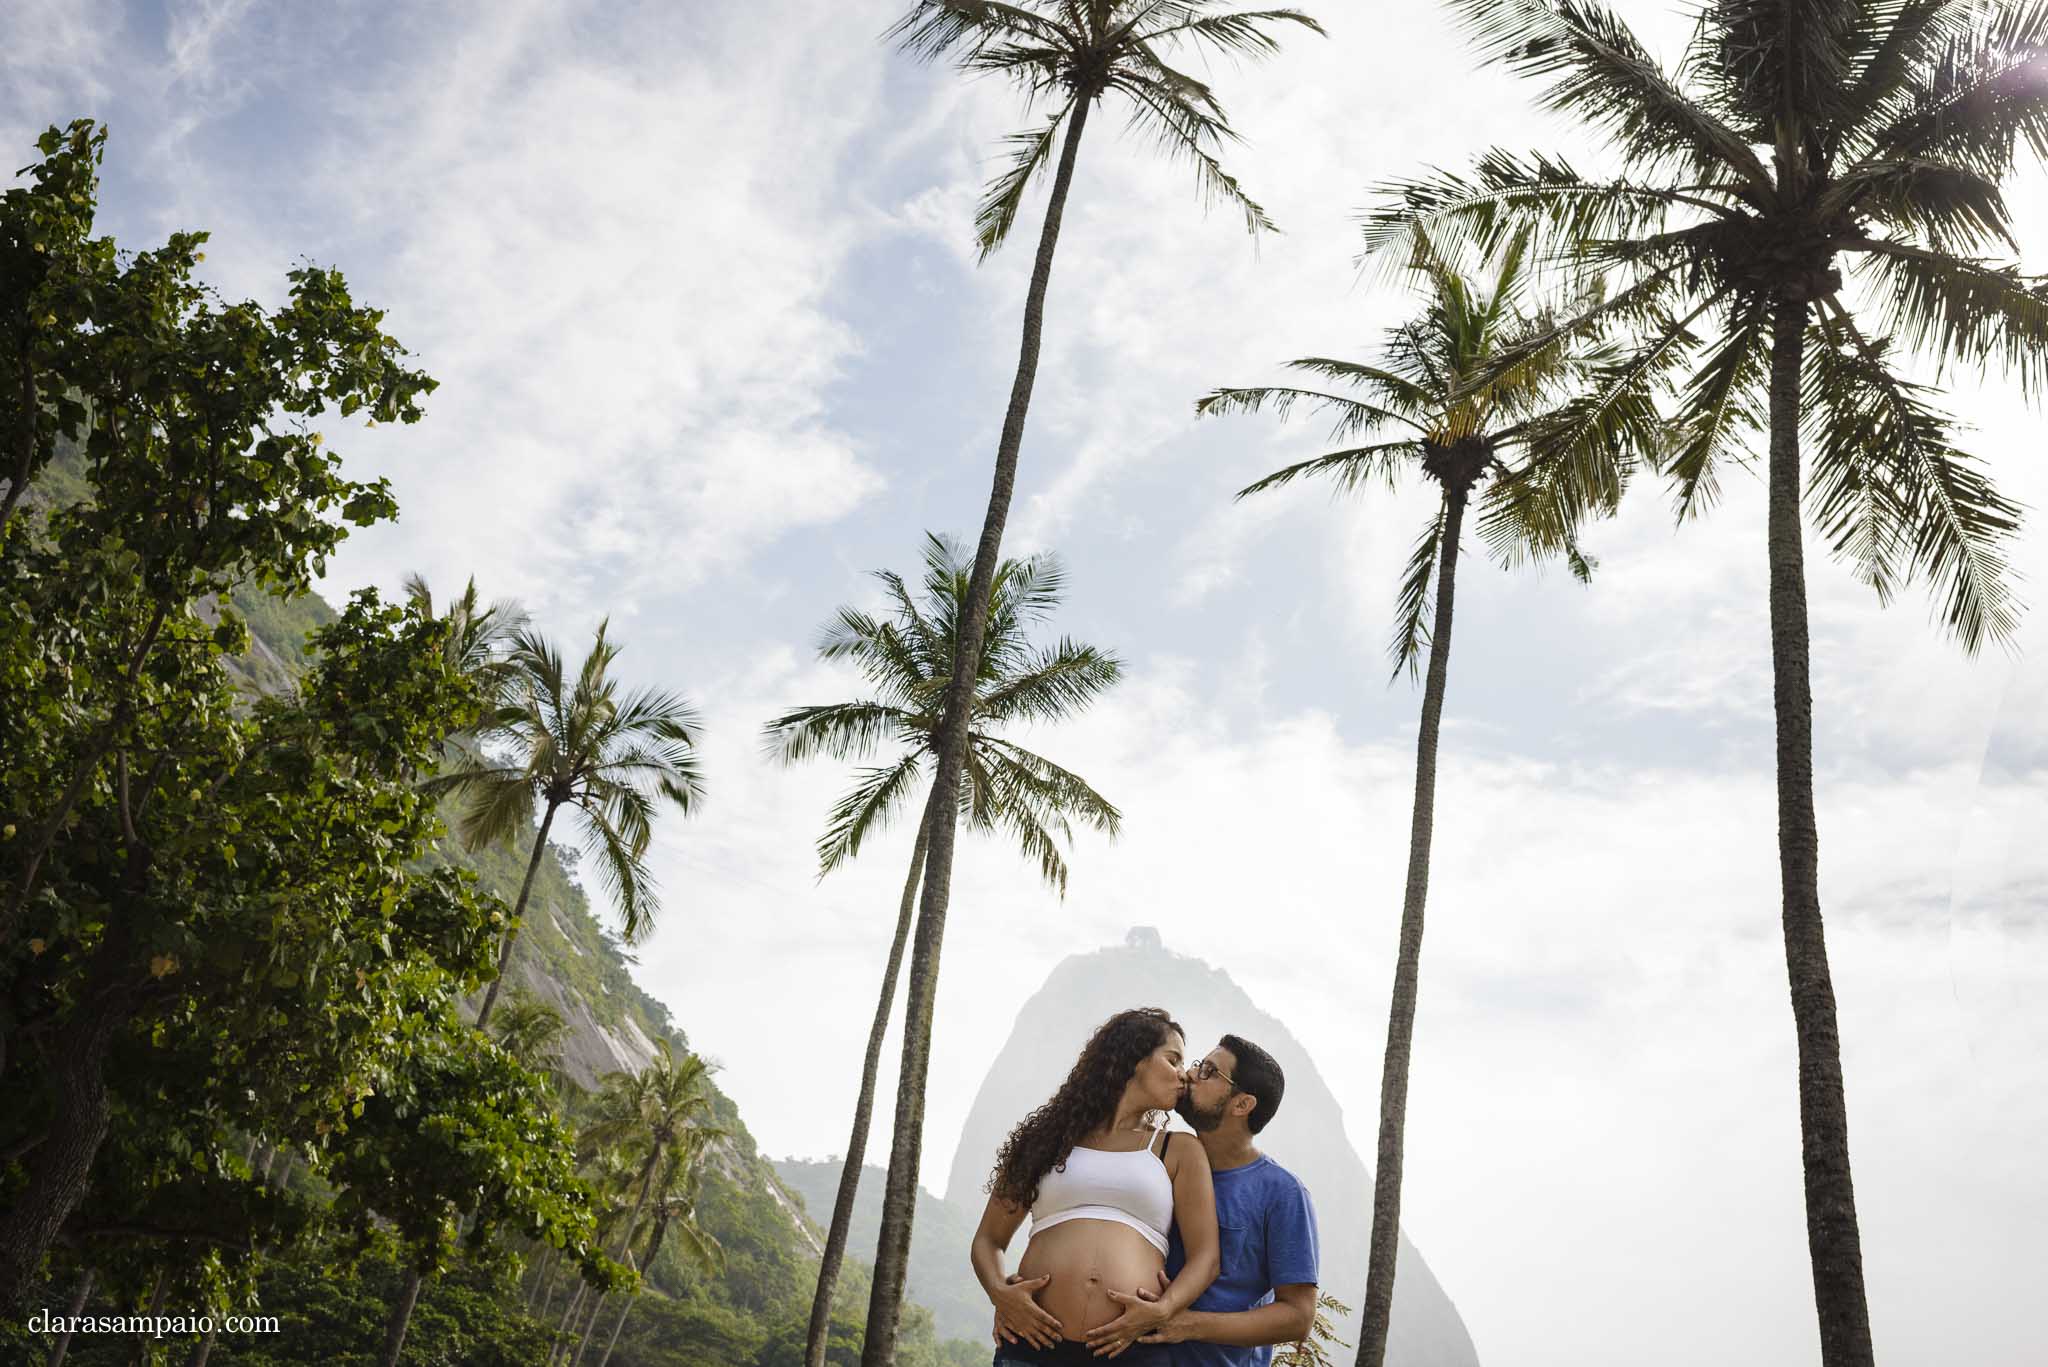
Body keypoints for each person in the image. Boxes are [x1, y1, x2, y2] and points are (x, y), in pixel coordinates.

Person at [973, 1007, 1220, 1366]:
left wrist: (1162, 1310)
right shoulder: (1046, 1140)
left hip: (1131, 1350)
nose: (1183, 1076)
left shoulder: (1178, 1149)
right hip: (1032, 1342)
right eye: (1173, 1060)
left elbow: (1206, 1259)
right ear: (1134, 1058)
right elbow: (988, 1240)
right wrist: (1000, 1293)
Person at [1081, 1034, 1320, 1367]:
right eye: (1197, 1064)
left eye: (1209, 1071)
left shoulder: (1282, 1192)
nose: (1190, 1075)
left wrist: (1186, 1325)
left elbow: (1298, 1316)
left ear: (1242, 1105)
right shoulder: (1155, 1167)